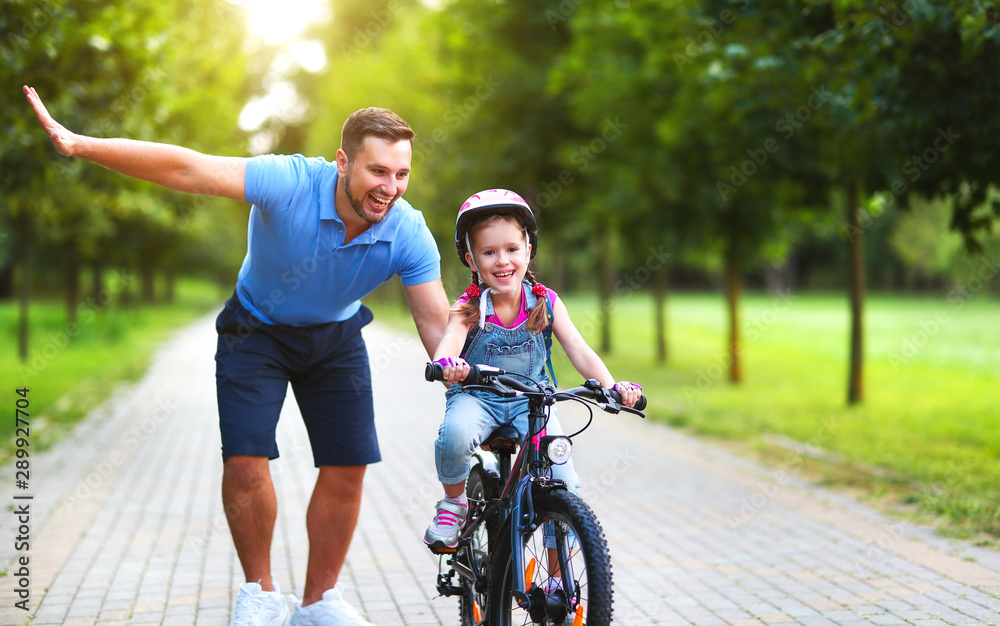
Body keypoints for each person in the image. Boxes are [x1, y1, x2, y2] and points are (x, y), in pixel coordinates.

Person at [23, 85, 450, 626]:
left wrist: (467, 391)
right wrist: (79, 144)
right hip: (257, 330)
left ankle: (318, 603)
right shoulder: (290, 181)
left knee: (348, 467)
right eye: (377, 171)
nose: (389, 188)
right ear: (342, 162)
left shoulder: (408, 231)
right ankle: (262, 594)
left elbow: (434, 320)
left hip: (336, 340)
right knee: (246, 459)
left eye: (401, 174)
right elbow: (188, 170)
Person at [424, 188, 641, 551]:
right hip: (478, 398)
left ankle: (558, 580)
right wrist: (447, 363)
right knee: (455, 434)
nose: (502, 260)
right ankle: (454, 503)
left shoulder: (546, 302)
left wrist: (612, 386)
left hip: (533, 402)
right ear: (472, 260)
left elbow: (578, 348)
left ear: (528, 250)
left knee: (562, 483)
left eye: (511, 249)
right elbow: (450, 338)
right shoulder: (468, 307)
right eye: (489, 252)